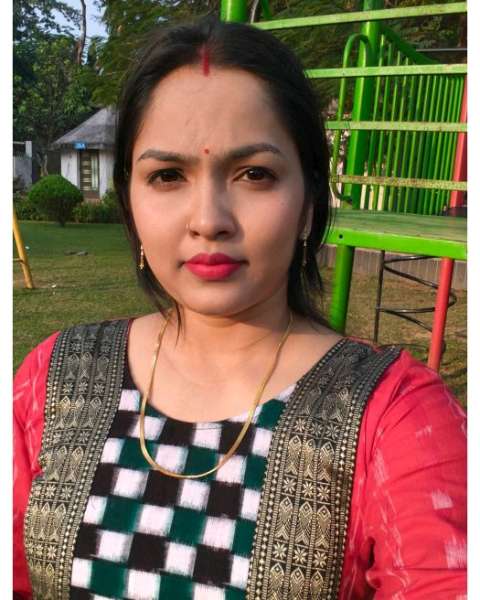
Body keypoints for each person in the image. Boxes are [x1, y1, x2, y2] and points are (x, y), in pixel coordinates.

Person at [13, 14, 466, 600]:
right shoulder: (52, 379)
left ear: (309, 201)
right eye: (167, 175)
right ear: (130, 200)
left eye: (255, 174)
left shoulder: (396, 417)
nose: (209, 220)